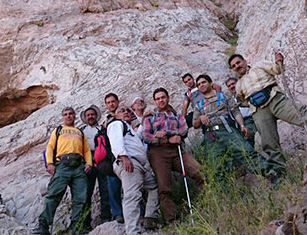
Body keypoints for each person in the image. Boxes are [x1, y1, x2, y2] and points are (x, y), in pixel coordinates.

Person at [228, 53, 307, 174]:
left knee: (301, 115)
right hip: (259, 111)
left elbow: (277, 70)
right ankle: (280, 171)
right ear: (233, 69)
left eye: (238, 62)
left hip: (276, 99)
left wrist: (279, 61)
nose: (237, 66)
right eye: (233, 66)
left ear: (245, 61)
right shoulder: (238, 85)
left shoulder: (259, 65)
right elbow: (242, 100)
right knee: (268, 142)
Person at [143, 88, 204, 223]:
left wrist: (165, 132)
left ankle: (206, 203)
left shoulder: (177, 116)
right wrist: (167, 138)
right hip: (158, 153)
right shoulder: (150, 118)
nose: (161, 100)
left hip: (177, 150)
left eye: (163, 97)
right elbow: (147, 136)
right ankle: (172, 219)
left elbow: (184, 130)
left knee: (200, 172)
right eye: (158, 98)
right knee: (164, 187)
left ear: (168, 98)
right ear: (155, 101)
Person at [33, 107, 92, 235]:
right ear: (63, 117)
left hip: (79, 166)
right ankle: (43, 226)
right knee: (53, 195)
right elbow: (50, 147)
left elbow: (86, 150)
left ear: (74, 116)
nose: (68, 116)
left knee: (80, 198)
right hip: (62, 165)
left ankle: (77, 226)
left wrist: (89, 163)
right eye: (65, 114)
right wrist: (49, 163)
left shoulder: (80, 133)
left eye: (71, 114)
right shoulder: (58, 130)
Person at [194, 74, 267, 175]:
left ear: (211, 83)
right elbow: (195, 125)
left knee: (245, 152)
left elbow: (235, 112)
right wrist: (200, 118)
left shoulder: (225, 96)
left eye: (203, 82)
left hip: (227, 129)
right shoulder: (199, 105)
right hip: (210, 135)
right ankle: (227, 189)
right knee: (217, 164)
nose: (201, 85)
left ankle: (271, 172)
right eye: (198, 84)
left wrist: (242, 125)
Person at [108, 105, 159, 234]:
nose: (126, 112)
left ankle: (149, 217)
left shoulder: (128, 128)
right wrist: (124, 157)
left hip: (139, 166)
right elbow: (116, 141)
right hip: (129, 162)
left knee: (153, 186)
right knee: (132, 196)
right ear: (116, 115)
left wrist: (143, 121)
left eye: (128, 111)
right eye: (122, 110)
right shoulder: (116, 124)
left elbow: (137, 138)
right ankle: (132, 231)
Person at [80, 105, 111, 229]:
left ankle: (105, 217)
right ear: (85, 118)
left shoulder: (103, 129)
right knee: (86, 192)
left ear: (96, 116)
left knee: (105, 190)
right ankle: (85, 223)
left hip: (102, 161)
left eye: (92, 114)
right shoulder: (81, 131)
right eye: (88, 115)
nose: (90, 117)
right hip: (87, 163)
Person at [103, 93, 124, 223]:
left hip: (126, 153)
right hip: (111, 156)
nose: (111, 104)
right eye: (108, 102)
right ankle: (117, 213)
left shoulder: (125, 113)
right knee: (113, 185)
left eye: (113, 101)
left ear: (117, 102)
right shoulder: (105, 120)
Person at [225, 76, 257, 148]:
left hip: (252, 117)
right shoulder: (231, 100)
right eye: (229, 86)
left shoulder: (246, 92)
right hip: (241, 123)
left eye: (233, 84)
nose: (232, 86)